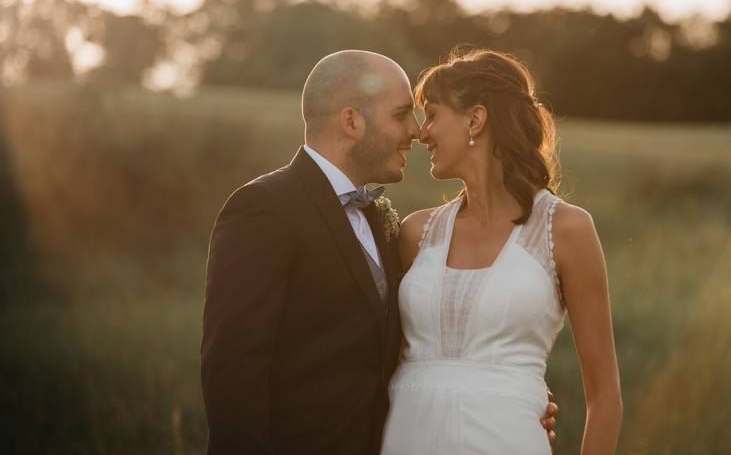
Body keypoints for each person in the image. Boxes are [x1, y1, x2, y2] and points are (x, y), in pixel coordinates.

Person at [200, 50, 556, 454]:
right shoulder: (265, 208)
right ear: (351, 121)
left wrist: (506, 403)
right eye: (401, 115)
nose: (417, 132)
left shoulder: (383, 220)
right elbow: (233, 372)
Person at [381, 48, 623, 455]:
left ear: (475, 119)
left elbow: (605, 398)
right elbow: (382, 362)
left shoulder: (565, 230)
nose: (421, 133)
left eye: (433, 114)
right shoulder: (416, 233)